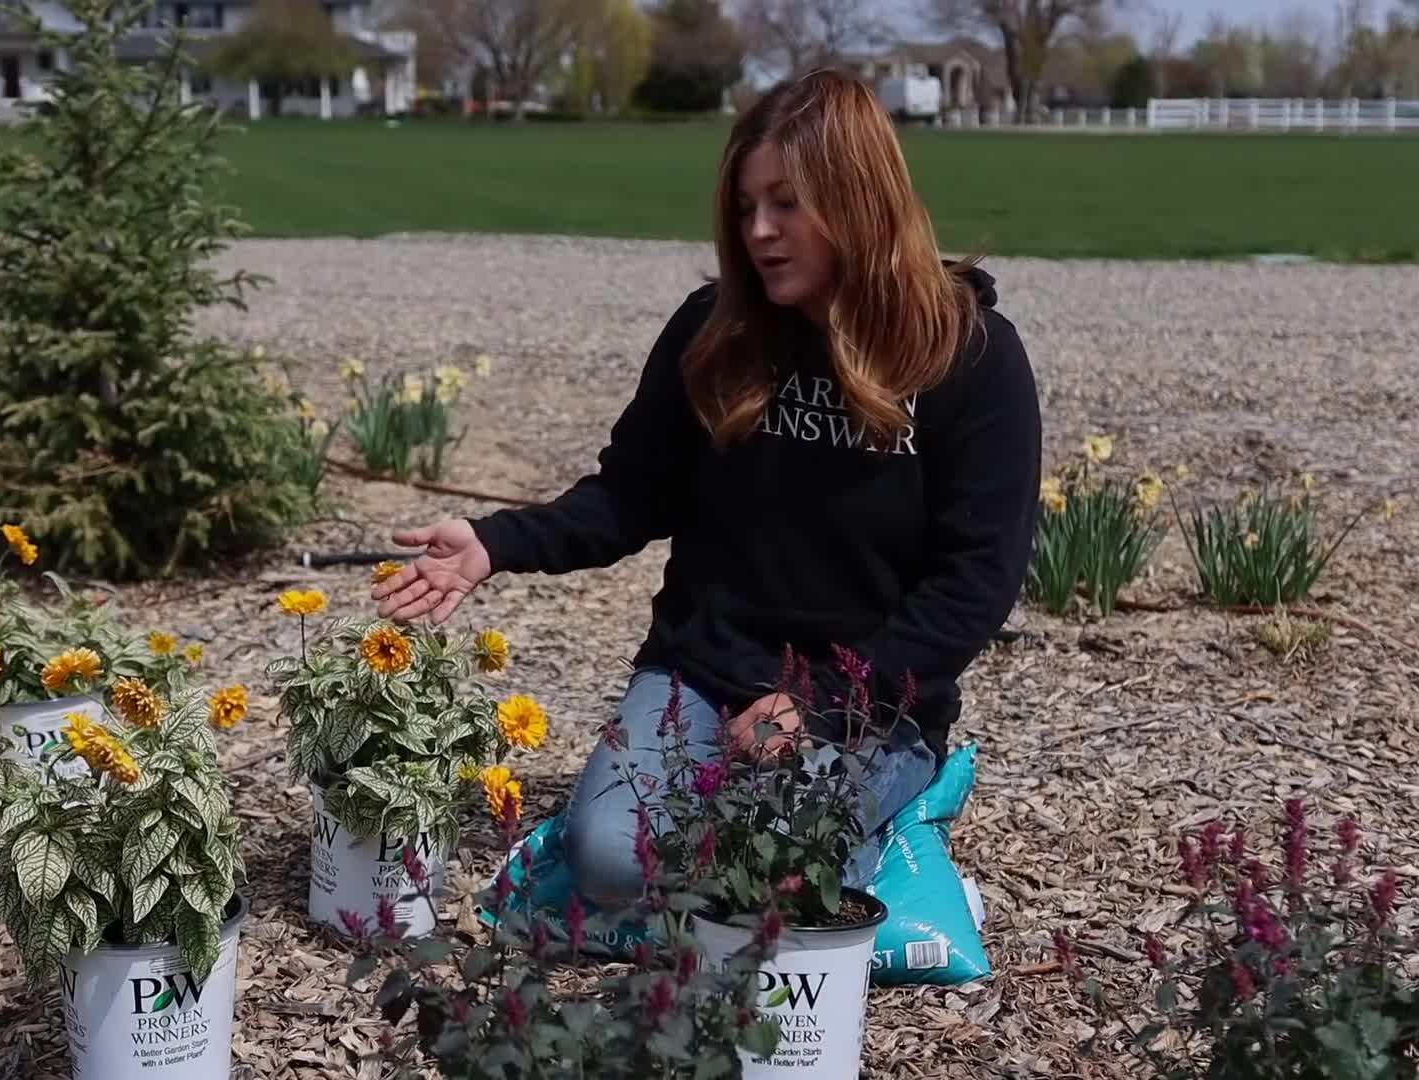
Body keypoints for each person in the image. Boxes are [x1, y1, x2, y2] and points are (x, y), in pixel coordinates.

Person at [372, 69, 1041, 911]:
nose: (759, 231)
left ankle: (903, 805)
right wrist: (494, 543)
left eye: (787, 203)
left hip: (868, 700)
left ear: (859, 199)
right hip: (704, 673)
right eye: (744, 206)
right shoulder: (714, 329)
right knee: (612, 861)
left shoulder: (970, 358)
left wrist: (823, 704)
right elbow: (629, 496)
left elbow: (973, 584)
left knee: (765, 871)